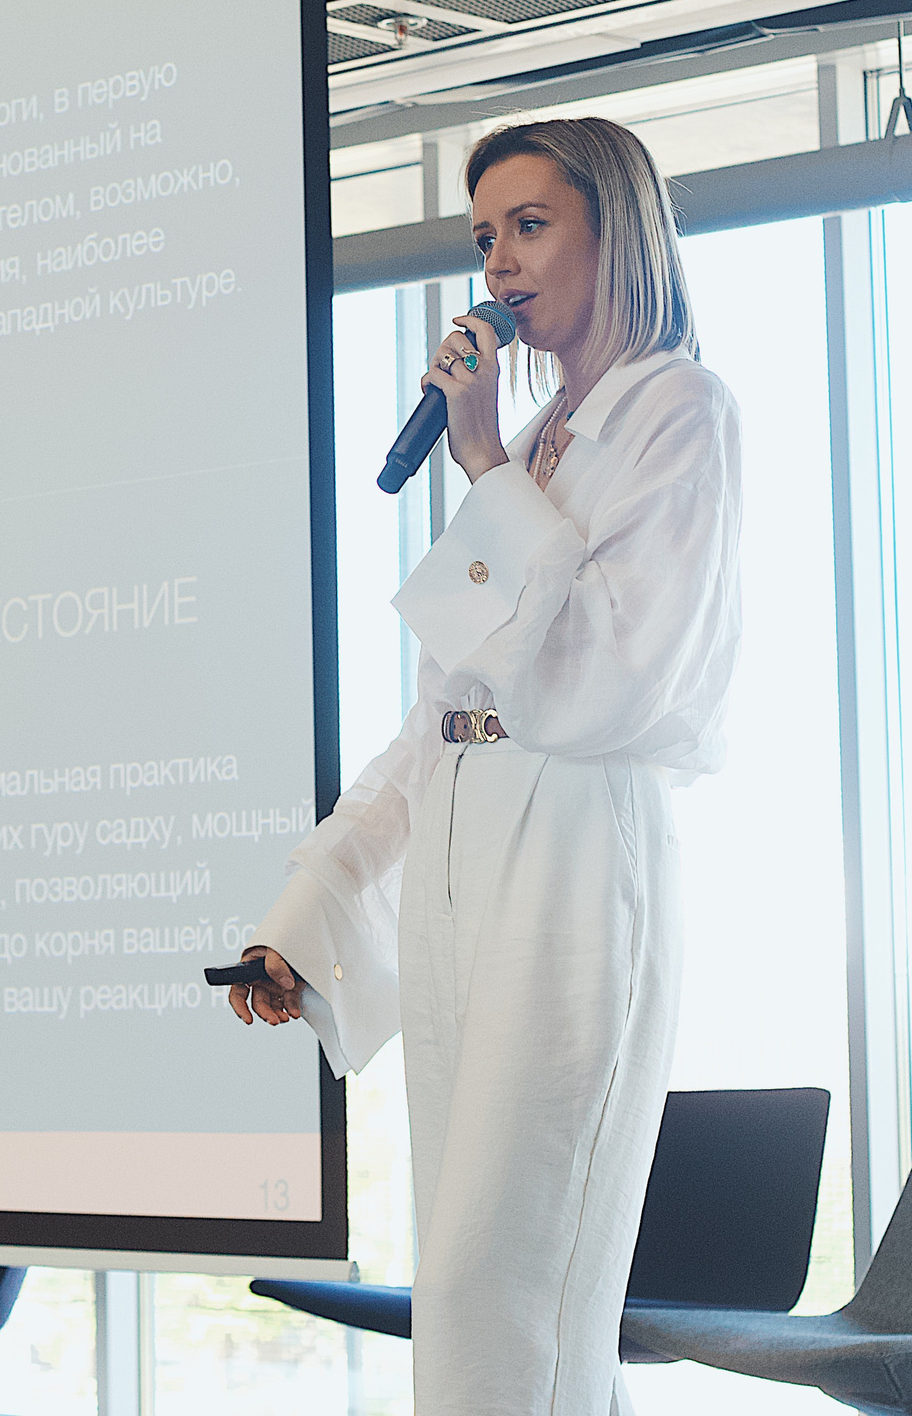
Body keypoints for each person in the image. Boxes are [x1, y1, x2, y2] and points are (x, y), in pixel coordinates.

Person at [230, 117, 742, 1415]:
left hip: (576, 849)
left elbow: (611, 679)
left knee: (501, 1282)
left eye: (530, 225)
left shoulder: (680, 413)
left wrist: (483, 459)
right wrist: (309, 910)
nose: (498, 265)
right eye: (482, 237)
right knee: (469, 1293)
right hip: (462, 855)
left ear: (614, 227)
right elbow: (437, 716)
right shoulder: (531, 441)